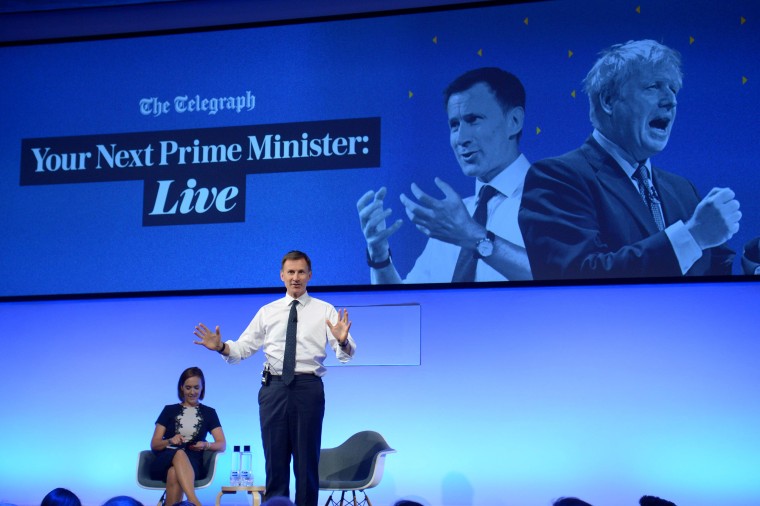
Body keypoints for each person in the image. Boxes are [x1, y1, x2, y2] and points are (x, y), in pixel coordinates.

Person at [519, 39, 741, 279]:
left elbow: (717, 274)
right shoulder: (557, 177)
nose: (671, 100)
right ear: (608, 100)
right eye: (654, 86)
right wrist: (692, 237)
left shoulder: (682, 189)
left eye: (673, 90)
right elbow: (576, 275)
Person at [193, 250, 356, 506]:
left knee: (306, 465)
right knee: (275, 463)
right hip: (274, 389)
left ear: (310, 275)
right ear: (282, 275)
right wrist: (221, 346)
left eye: (301, 272)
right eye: (290, 272)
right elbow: (243, 348)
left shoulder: (325, 310)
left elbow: (346, 354)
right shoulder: (267, 312)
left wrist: (343, 339)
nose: (295, 277)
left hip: (308, 388)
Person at [357, 66, 533, 283]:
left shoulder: (559, 195)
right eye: (454, 125)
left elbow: (562, 273)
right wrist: (380, 257)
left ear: (514, 121)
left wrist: (474, 237)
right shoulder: (454, 220)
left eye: (473, 119)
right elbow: (406, 305)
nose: (461, 138)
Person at [149, 367, 226, 506]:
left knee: (174, 473)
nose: (192, 392)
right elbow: (154, 443)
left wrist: (206, 445)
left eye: (196, 387)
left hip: (193, 462)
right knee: (178, 452)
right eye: (188, 387)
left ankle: (189, 501)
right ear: (181, 388)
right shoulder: (169, 410)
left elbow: (222, 444)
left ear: (202, 388)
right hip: (165, 459)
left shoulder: (209, 413)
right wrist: (170, 440)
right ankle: (194, 501)